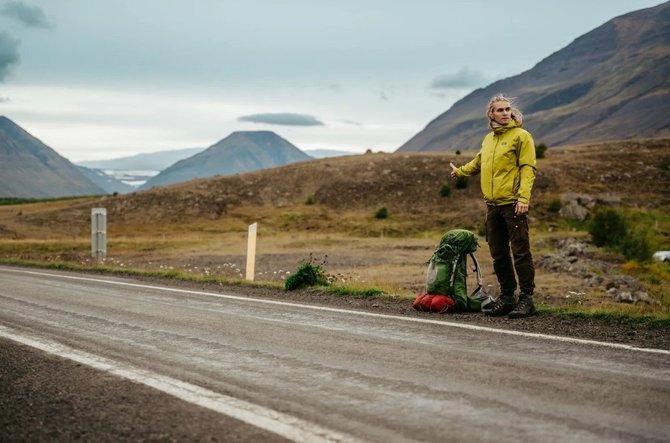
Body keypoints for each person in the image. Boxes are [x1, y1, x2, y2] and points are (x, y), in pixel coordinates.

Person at [449, 94, 537, 318]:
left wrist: (523, 199)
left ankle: (526, 299)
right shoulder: (489, 139)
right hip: (493, 206)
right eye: (500, 110)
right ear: (491, 114)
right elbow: (479, 162)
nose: (505, 113)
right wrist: (459, 172)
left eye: (508, 109)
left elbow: (528, 168)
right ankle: (507, 297)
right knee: (498, 254)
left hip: (513, 204)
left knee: (520, 253)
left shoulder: (521, 136)